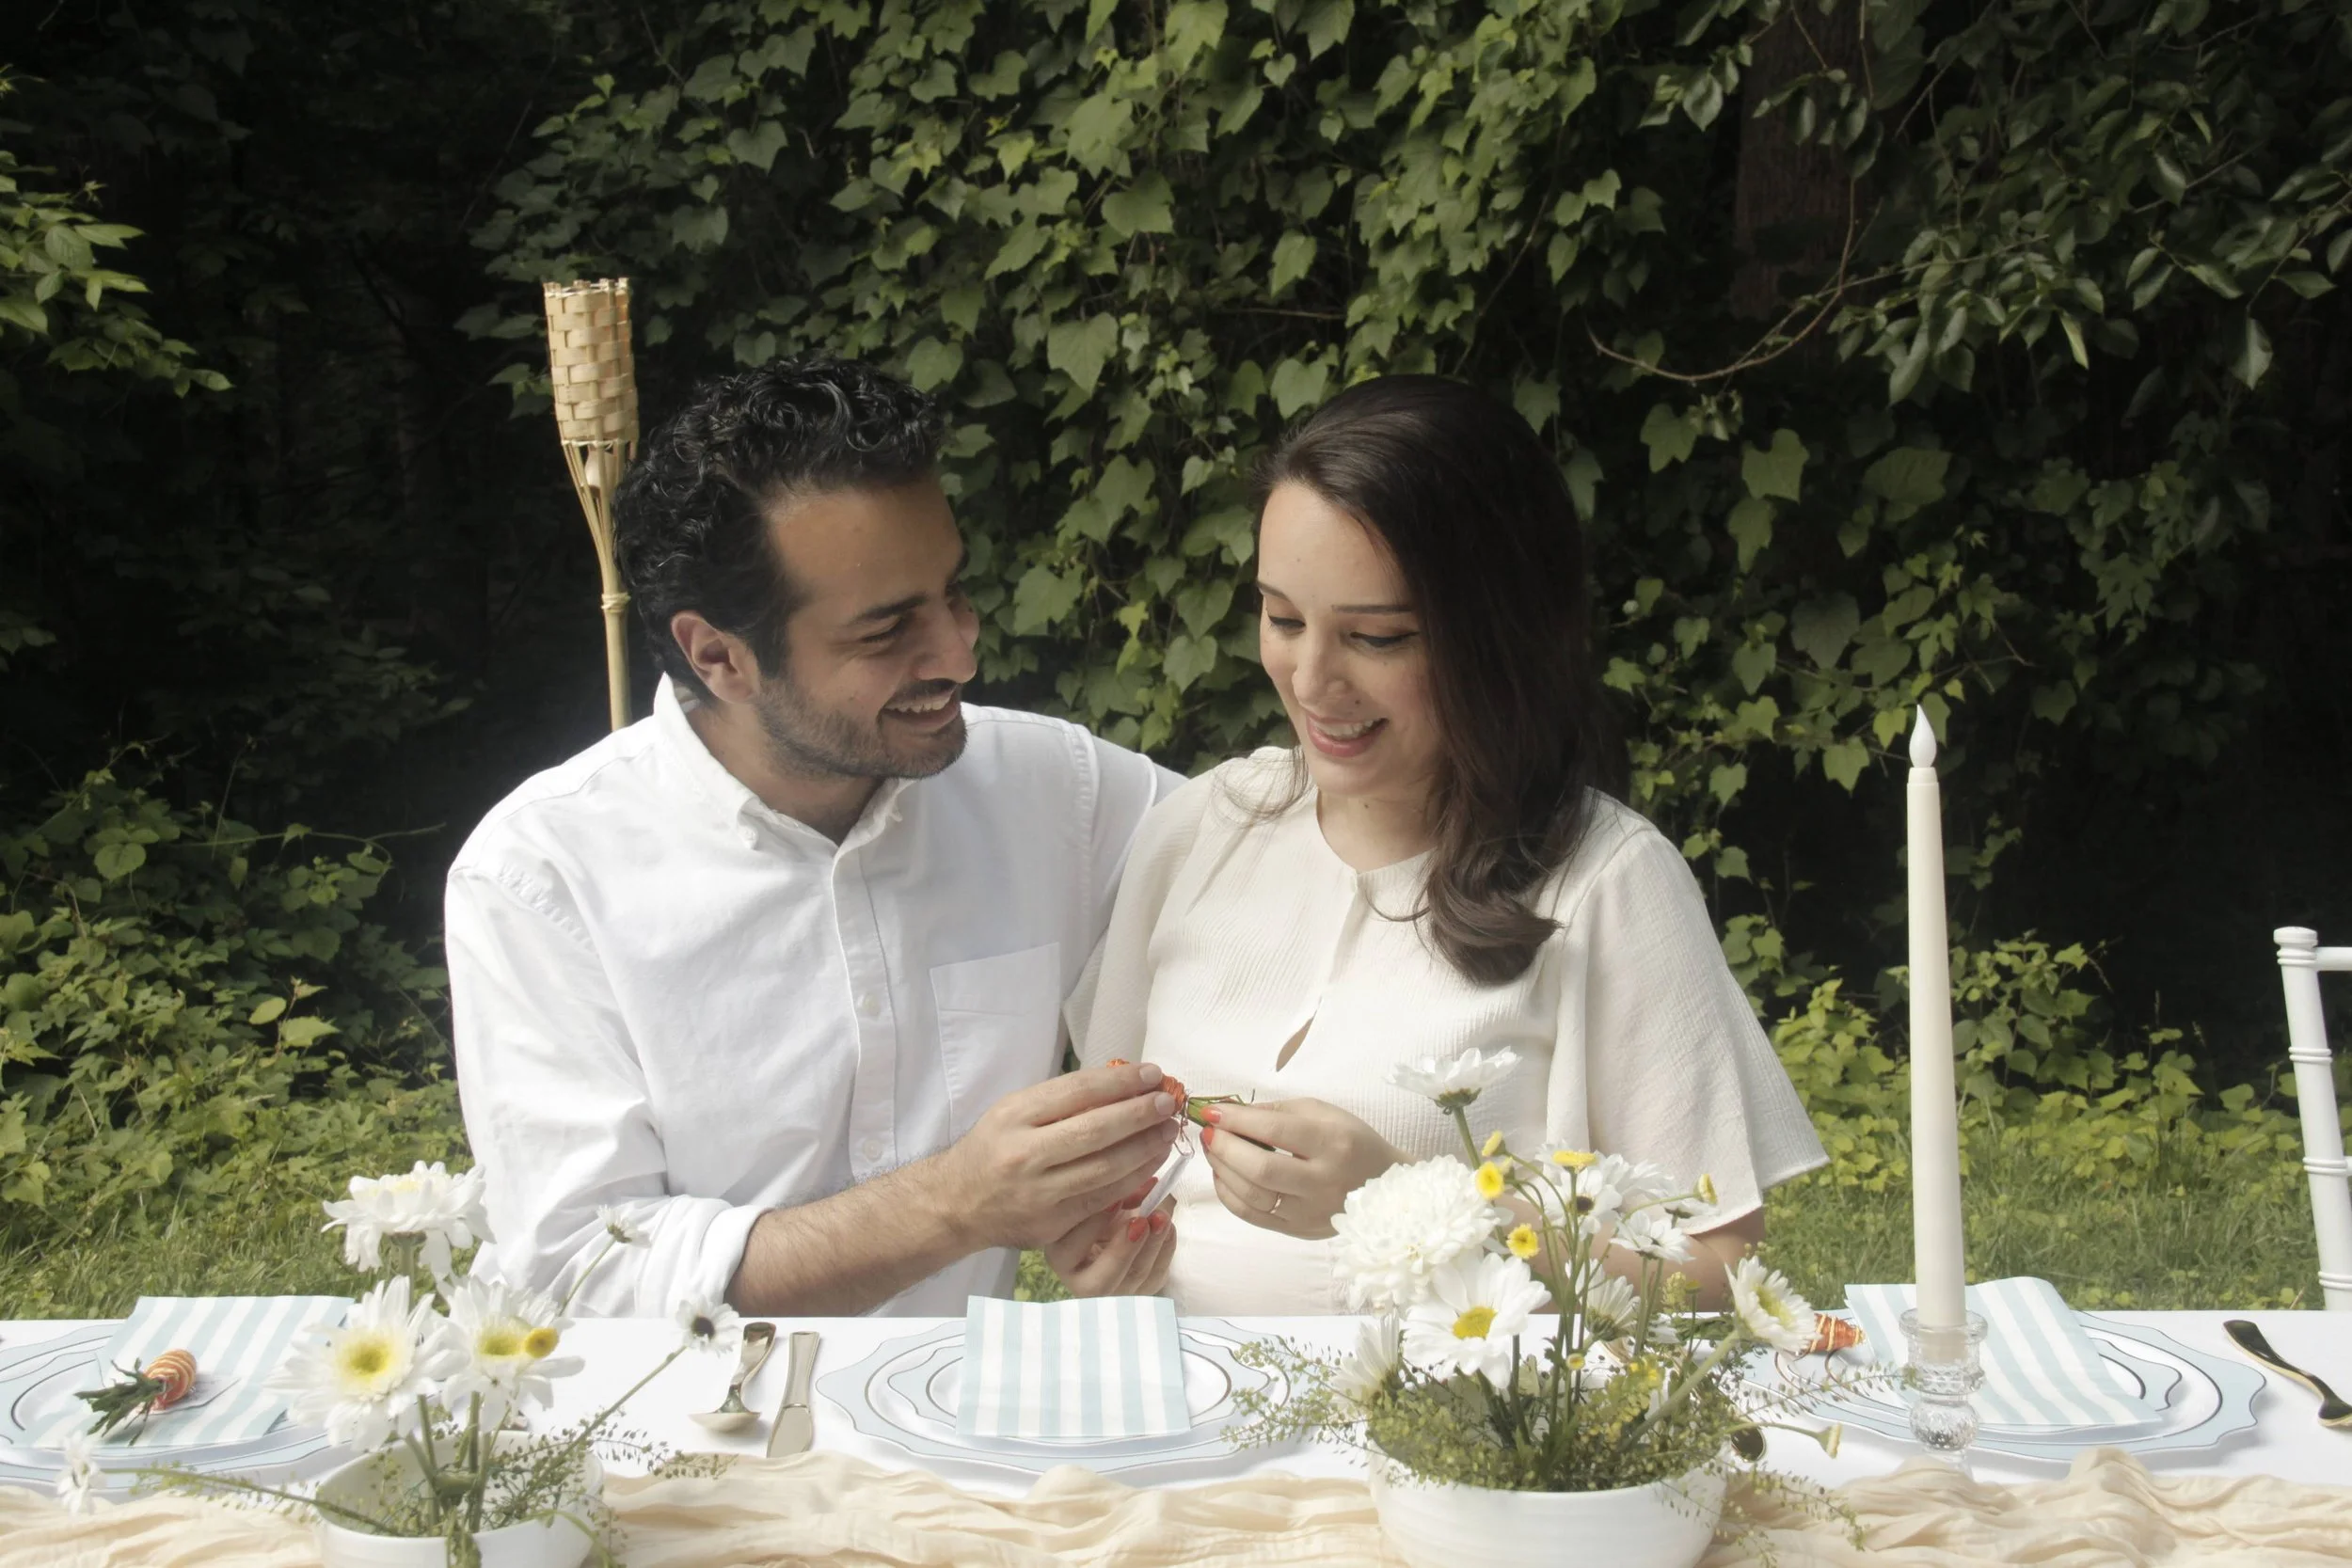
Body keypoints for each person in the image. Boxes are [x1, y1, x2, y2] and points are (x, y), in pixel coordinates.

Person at [1068, 375, 1827, 1315]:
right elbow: (1110, 1161)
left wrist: (1412, 1200)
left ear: (1497, 635)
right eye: (1283, 617)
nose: (1310, 679)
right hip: (1170, 1419)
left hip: (1447, 1435)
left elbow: (1715, 1267)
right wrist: (1099, 1244)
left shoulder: (1604, 882)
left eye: (1376, 637)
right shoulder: (1203, 828)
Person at [447, 359, 1184, 1318]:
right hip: (668, 1439)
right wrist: (956, 1203)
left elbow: (1284, 865)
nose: (960, 652)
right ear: (719, 656)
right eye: (887, 631)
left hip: (964, 1429)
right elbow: (586, 1268)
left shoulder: (1058, 791)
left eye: (952, 593)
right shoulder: (543, 877)